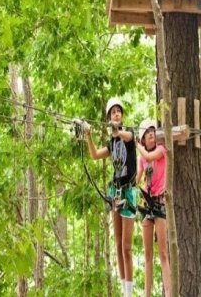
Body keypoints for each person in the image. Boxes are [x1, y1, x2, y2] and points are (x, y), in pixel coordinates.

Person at [85, 97, 137, 297]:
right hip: (115, 193)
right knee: (117, 245)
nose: (116, 114)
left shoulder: (128, 134)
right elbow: (95, 155)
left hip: (129, 192)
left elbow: (126, 136)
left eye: (118, 111)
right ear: (108, 118)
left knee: (126, 247)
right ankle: (124, 290)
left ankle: (129, 293)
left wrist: (116, 130)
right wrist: (89, 135)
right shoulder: (112, 142)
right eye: (113, 112)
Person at [136, 120, 171, 297]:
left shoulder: (161, 150)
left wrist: (136, 144)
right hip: (147, 204)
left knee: (163, 253)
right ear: (143, 139)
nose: (151, 134)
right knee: (147, 255)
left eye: (152, 131)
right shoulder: (142, 158)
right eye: (147, 133)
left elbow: (150, 157)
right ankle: (147, 294)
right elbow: (136, 179)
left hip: (160, 203)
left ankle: (170, 293)